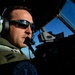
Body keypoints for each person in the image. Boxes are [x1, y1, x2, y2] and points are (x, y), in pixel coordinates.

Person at [0, 6, 38, 75]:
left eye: (32, 27)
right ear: (5, 25)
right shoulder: (17, 61)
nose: (29, 31)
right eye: (23, 23)